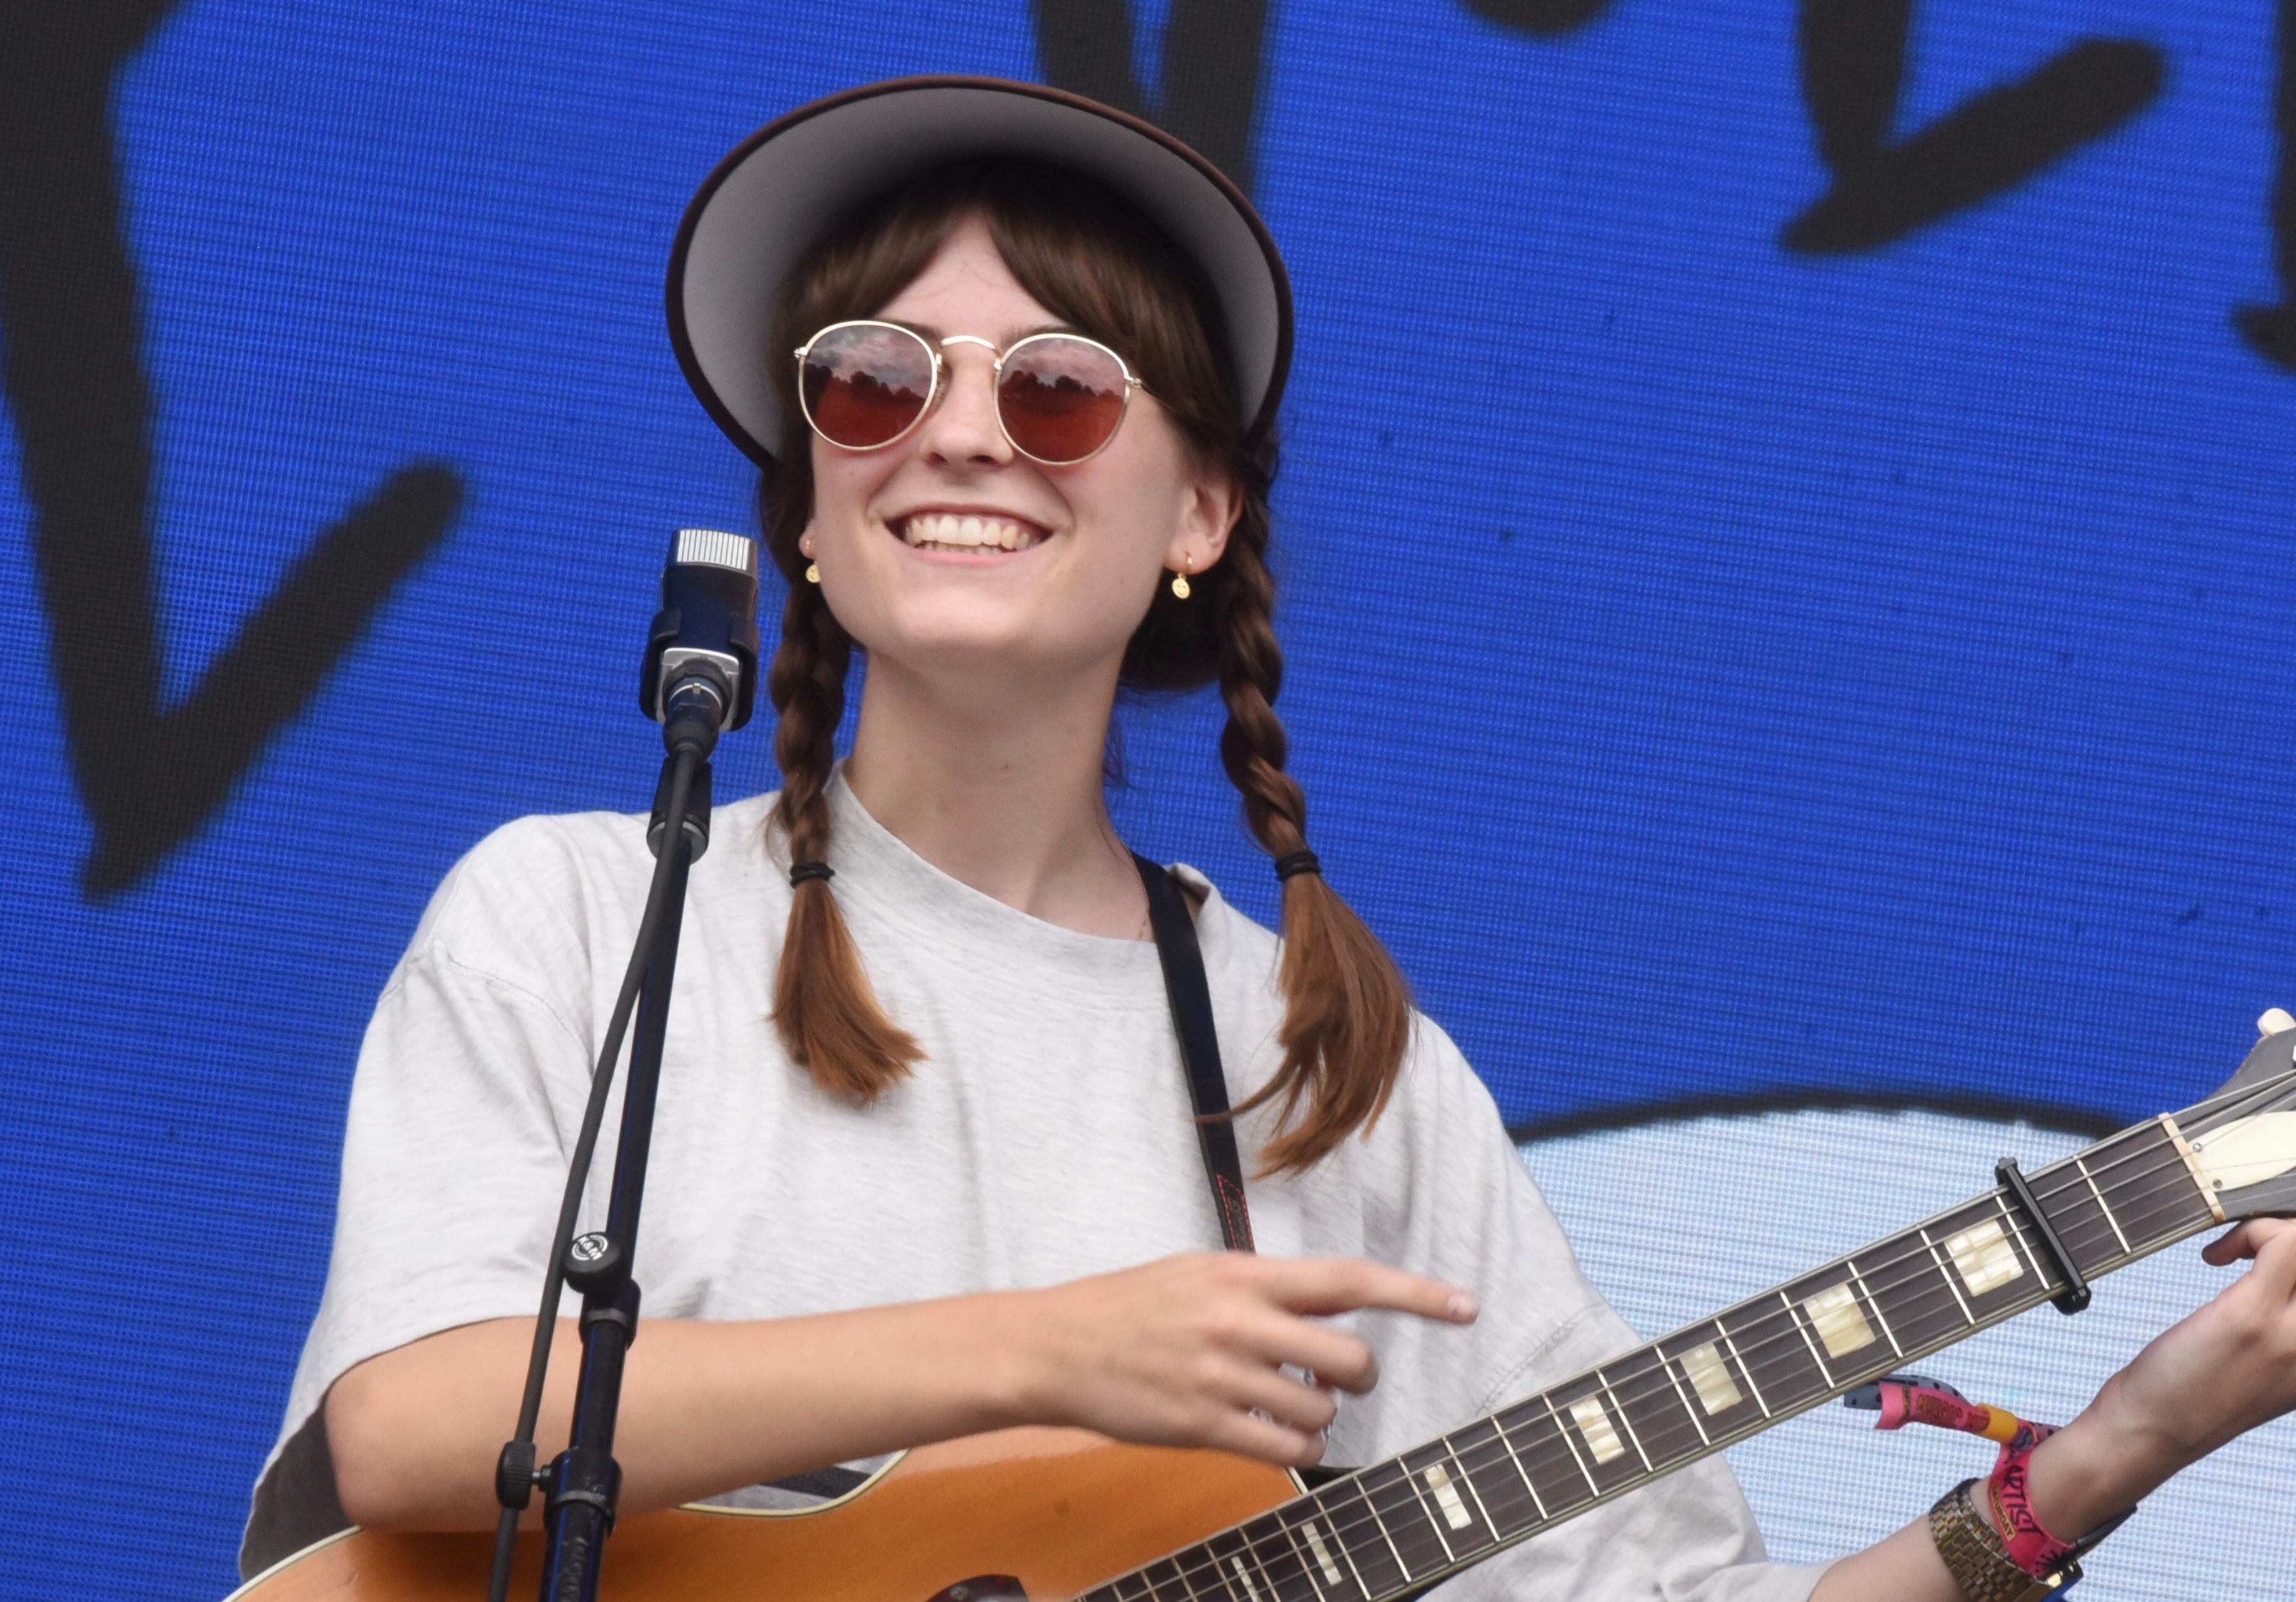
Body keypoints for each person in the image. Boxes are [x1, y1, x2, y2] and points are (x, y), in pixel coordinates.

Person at [243, 77, 2296, 1601]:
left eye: (1058, 388)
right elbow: (408, 1430)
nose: (953, 429)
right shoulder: (577, 908)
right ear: (805, 503)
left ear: (1201, 515)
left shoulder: (1323, 1061)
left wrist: (2109, 1456)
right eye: (870, 381)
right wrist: (1059, 1352)